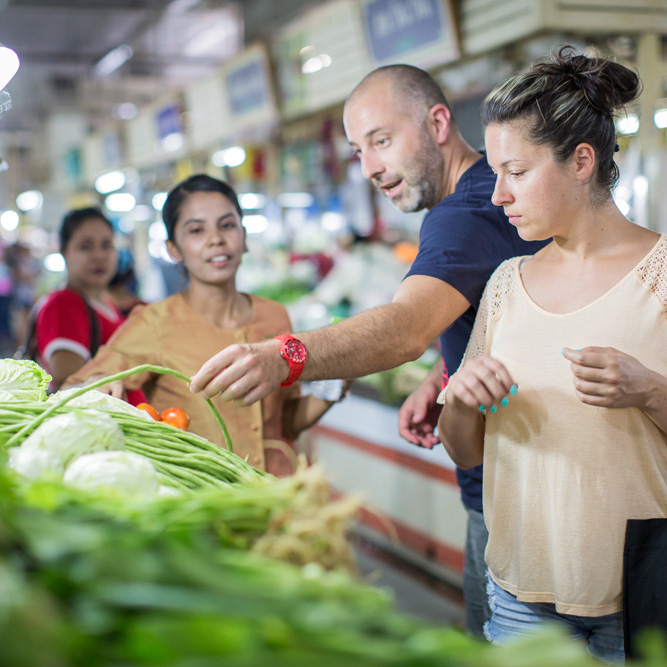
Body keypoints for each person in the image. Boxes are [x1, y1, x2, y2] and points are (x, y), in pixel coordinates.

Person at [189, 65, 547, 636]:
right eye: (358, 150)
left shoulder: (461, 215)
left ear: (436, 123)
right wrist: (445, 372)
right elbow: (522, 312)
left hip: (517, 503)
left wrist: (285, 355)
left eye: (381, 141)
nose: (370, 169)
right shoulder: (486, 195)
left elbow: (405, 327)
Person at [436, 47, 666, 663]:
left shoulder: (662, 274)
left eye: (516, 171)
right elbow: (466, 449)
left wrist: (649, 390)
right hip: (519, 598)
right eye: (495, 172)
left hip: (642, 596)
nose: (498, 194)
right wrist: (459, 396)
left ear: (581, 162)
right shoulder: (507, 283)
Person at [66, 174, 344, 477]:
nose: (216, 239)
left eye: (227, 225)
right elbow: (74, 388)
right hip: (202, 505)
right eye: (197, 230)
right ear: (174, 249)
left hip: (277, 498)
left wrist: (338, 380)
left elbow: (284, 422)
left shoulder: (275, 315)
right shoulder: (154, 323)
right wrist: (97, 388)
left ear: (244, 235)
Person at [33, 208, 126, 392]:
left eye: (106, 245)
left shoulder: (104, 302)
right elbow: (69, 382)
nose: (99, 256)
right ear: (64, 253)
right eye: (86, 246)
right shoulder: (64, 304)